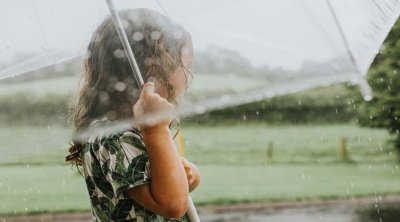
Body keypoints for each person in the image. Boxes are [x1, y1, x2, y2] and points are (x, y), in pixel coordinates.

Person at [66, 8, 200, 221]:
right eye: (186, 66)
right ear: (155, 68)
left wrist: (185, 176)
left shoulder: (130, 128)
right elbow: (172, 204)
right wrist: (156, 129)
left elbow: (165, 186)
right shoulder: (115, 135)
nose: (189, 75)